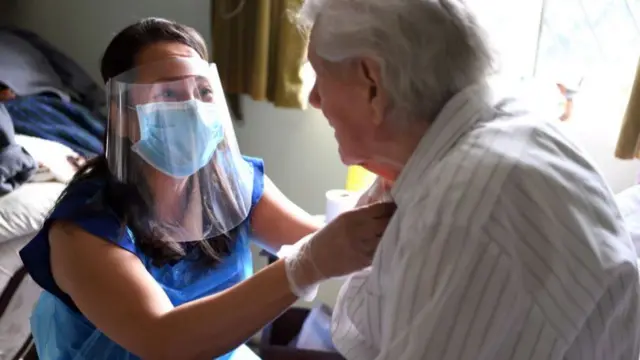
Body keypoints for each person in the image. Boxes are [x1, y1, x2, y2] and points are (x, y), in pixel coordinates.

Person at [19, 18, 396, 360]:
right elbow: (163, 340)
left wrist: (387, 175)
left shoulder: (234, 183)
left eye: (203, 92)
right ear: (122, 115)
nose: (192, 108)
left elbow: (325, 242)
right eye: (168, 95)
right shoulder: (83, 227)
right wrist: (306, 264)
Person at [294, 1, 640, 359]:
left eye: (320, 76)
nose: (315, 98)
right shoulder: (479, 134)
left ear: (372, 86)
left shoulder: (463, 212)